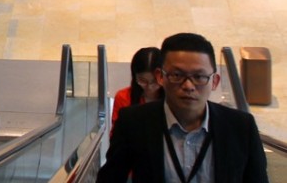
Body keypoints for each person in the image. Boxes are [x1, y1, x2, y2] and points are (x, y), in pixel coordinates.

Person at [99, 32, 267, 183]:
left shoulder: (241, 127)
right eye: (177, 75)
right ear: (160, 77)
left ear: (214, 82)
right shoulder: (133, 122)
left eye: (199, 76)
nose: (188, 86)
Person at [110, 46, 163, 131]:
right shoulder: (123, 97)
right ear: (135, 77)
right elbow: (116, 134)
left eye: (154, 81)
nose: (149, 86)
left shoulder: (173, 97)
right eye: (143, 80)